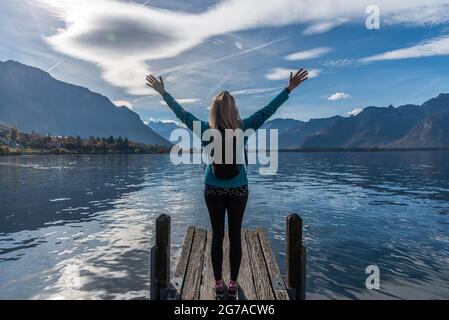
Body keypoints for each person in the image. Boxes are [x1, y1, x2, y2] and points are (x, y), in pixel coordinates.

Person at [146, 68, 308, 299]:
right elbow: (268, 110)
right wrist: (288, 89)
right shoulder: (243, 128)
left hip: (212, 188)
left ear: (214, 110)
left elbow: (181, 113)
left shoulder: (204, 130)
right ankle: (233, 284)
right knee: (234, 236)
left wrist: (164, 93)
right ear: (234, 110)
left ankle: (218, 284)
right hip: (239, 189)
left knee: (217, 235)